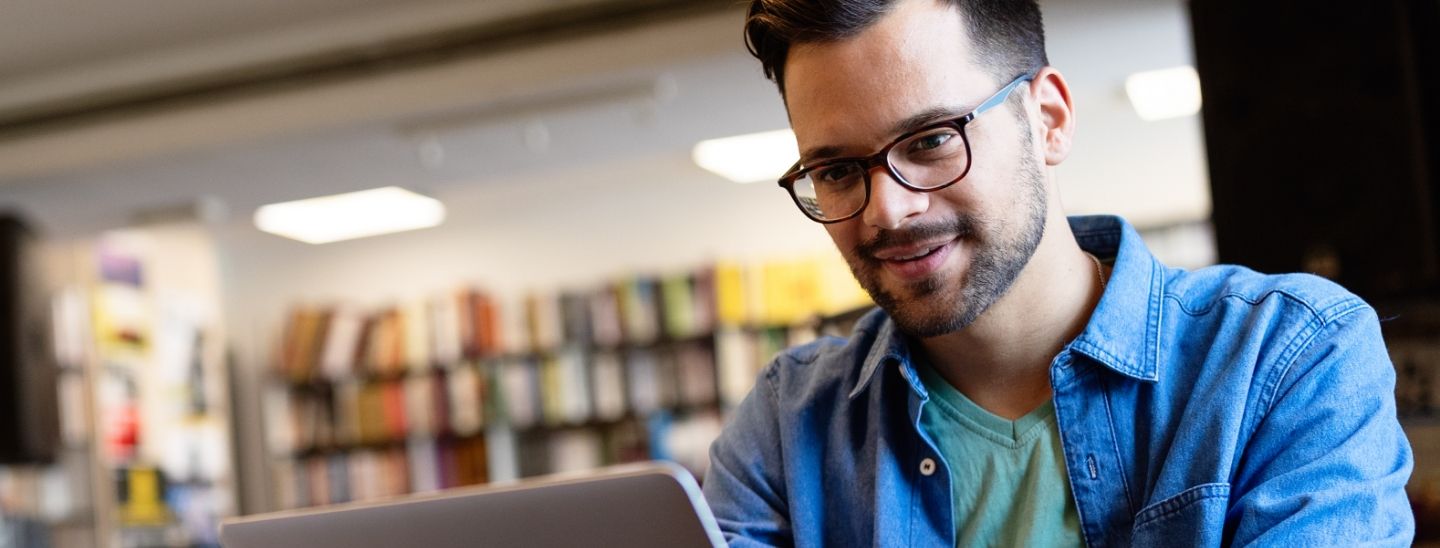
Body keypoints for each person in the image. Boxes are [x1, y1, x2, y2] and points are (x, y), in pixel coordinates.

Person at [700, 0, 1416, 545]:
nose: (887, 211)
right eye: (835, 169)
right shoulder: (786, 426)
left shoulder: (1287, 354)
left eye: (931, 140)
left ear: (1047, 119)